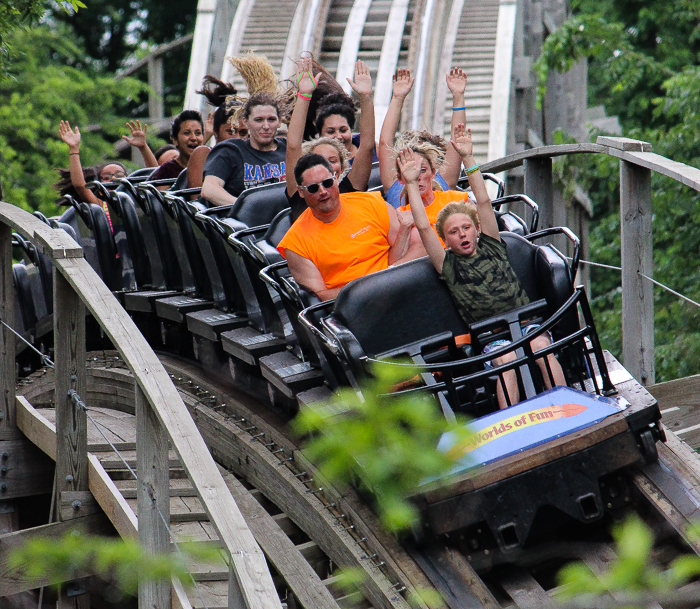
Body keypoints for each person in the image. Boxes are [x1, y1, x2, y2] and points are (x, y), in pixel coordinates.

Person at [398, 124, 566, 408]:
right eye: (454, 232)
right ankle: (510, 418)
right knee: (506, 361)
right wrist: (412, 184)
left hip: (526, 321)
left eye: (466, 228)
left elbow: (485, 200)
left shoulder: (492, 244)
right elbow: (424, 227)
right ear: (446, 241)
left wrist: (468, 158)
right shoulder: (448, 265)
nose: (462, 234)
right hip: (492, 335)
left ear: (476, 229)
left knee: (542, 348)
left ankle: (567, 403)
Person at [277, 154, 414, 301]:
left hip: (398, 288)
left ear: (336, 178)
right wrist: (369, 289)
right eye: (313, 188)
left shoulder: (372, 202)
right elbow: (321, 299)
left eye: (327, 182)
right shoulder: (295, 243)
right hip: (354, 307)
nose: (322, 191)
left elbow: (405, 251)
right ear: (301, 192)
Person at [285, 57, 375, 221]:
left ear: (341, 167)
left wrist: (366, 97)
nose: (325, 167)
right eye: (320, 161)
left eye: (332, 161)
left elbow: (367, 145)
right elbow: (293, 146)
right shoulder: (301, 193)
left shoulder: (350, 187)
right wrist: (304, 94)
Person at [379, 68, 468, 208]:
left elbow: (457, 139)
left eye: (422, 170)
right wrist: (397, 98)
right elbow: (385, 143)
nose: (417, 176)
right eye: (409, 169)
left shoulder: (443, 183)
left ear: (433, 172)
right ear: (400, 176)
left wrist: (458, 96)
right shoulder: (394, 186)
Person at [201, 92, 287, 205]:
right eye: (258, 120)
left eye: (271, 119)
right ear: (246, 122)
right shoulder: (230, 150)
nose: (266, 126)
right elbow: (209, 190)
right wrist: (245, 207)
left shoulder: (288, 148)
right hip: (241, 219)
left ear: (279, 121)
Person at [57, 120, 127, 231]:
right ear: (100, 189)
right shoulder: (101, 205)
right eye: (107, 177)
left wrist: (143, 147)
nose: (113, 178)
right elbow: (80, 185)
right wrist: (74, 149)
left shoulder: (137, 202)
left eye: (119, 175)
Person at [148, 110, 204, 184]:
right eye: (187, 133)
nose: (193, 138)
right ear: (175, 140)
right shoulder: (167, 170)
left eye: (198, 133)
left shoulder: (211, 164)